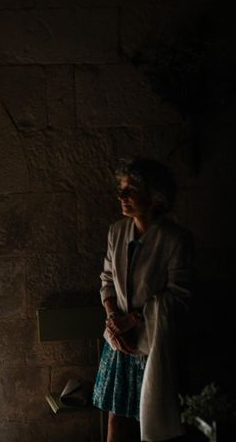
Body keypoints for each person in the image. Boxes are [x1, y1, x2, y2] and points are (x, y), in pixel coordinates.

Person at [92, 157, 194, 442]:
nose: (121, 195)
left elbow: (180, 295)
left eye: (131, 189)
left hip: (154, 343)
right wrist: (114, 319)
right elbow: (107, 280)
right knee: (117, 419)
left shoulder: (175, 240)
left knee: (154, 422)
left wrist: (134, 319)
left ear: (155, 195)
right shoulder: (117, 231)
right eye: (121, 188)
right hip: (120, 341)